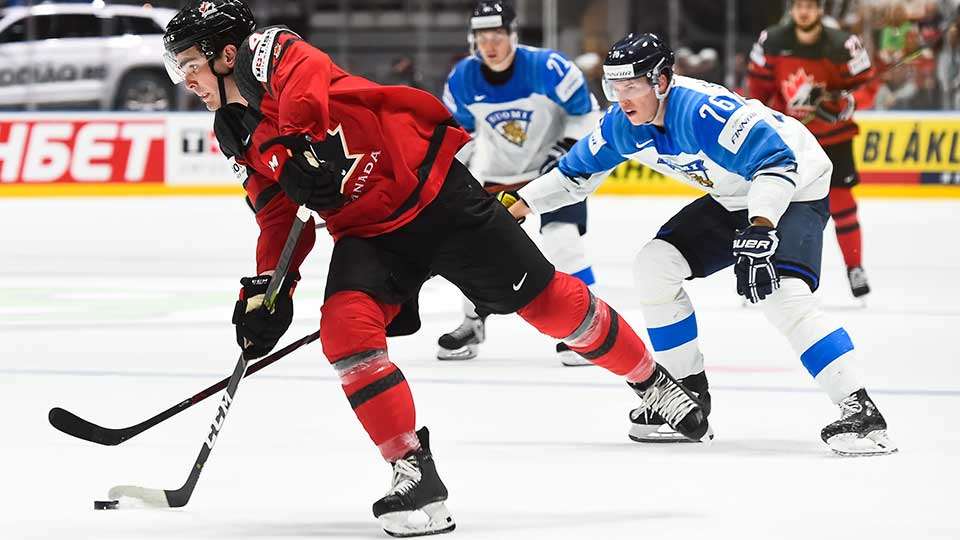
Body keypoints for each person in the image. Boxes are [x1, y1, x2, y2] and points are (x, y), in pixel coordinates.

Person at [162, 3, 711, 537]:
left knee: (546, 304)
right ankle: (414, 473)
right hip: (369, 234)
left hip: (434, 196)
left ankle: (652, 383)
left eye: (189, 63)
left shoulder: (269, 52)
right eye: (177, 67)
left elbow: (305, 83)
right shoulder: (232, 130)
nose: (184, 78)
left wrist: (297, 141)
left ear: (226, 54)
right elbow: (278, 214)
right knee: (346, 335)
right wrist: (269, 289)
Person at [504, 32, 897, 457]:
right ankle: (686, 394)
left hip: (795, 186)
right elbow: (572, 176)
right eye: (614, 88)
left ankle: (861, 410)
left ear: (662, 80)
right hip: (735, 196)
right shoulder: (621, 123)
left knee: (782, 294)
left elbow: (777, 162)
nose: (622, 98)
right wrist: (518, 205)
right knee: (655, 264)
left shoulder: (703, 112)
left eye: (632, 85)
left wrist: (761, 226)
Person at [439, 0, 602, 365]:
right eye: (483, 37)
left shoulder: (551, 68)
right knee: (472, 251)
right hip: (498, 177)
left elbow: (588, 116)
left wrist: (561, 153)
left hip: (556, 171)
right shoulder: (463, 78)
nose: (491, 44)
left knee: (562, 241)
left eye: (498, 35)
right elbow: (454, 134)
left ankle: (591, 327)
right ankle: (471, 322)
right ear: (473, 40)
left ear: (513, 34)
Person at [747, 0, 876, 299]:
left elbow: (867, 86)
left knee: (843, 205)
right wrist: (778, 114)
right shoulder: (772, 41)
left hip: (834, 140)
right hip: (790, 140)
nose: (804, 11)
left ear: (820, 10)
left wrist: (846, 103)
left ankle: (855, 267)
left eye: (810, 6)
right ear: (793, 10)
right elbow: (758, 90)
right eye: (799, 5)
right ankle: (764, 268)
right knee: (776, 203)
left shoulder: (844, 45)